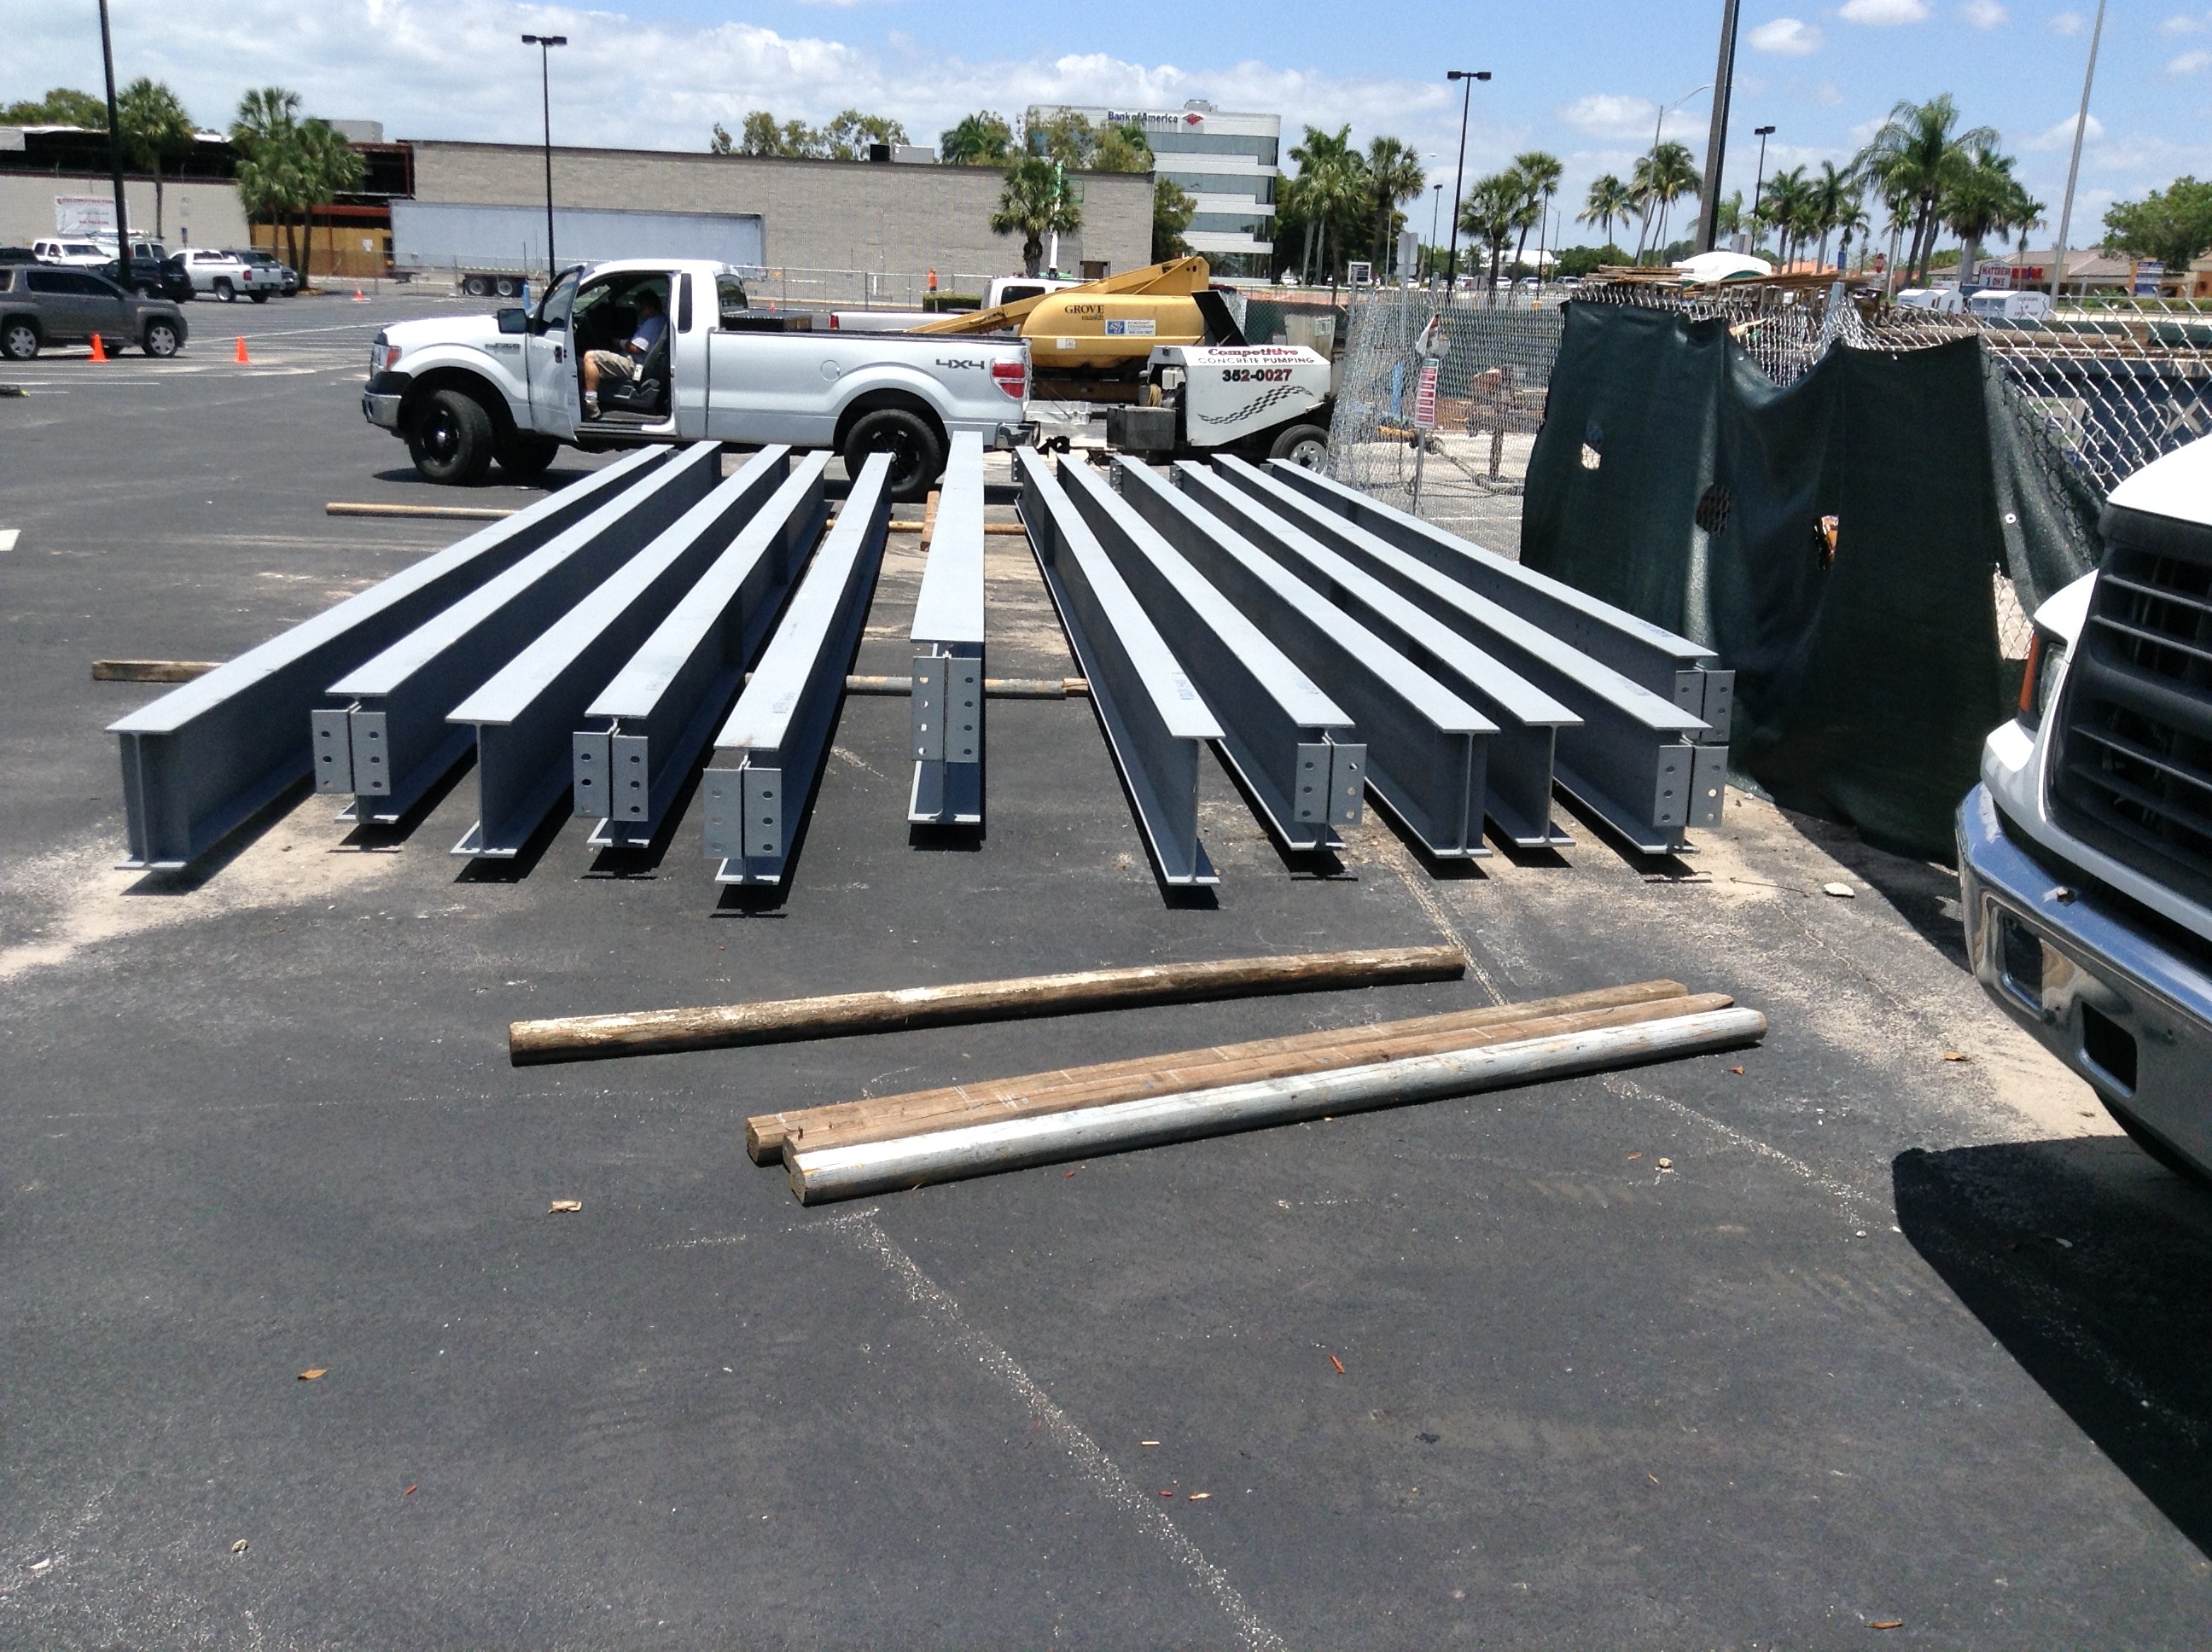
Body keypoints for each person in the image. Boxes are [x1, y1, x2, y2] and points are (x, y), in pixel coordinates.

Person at [581, 288, 667, 419]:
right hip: (635, 361)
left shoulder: (652, 323)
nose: (638, 313)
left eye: (640, 309)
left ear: (650, 307)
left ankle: (591, 405)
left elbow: (635, 348)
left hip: (634, 364)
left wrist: (618, 342)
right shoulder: (659, 320)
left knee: (591, 358)